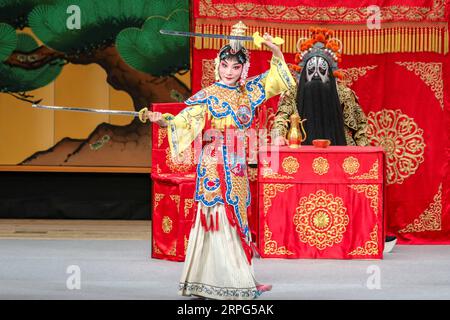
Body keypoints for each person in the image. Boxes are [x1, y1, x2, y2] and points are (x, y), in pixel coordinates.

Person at [147, 22, 295, 299]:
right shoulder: (208, 96)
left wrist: (275, 50)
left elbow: (281, 81)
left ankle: (244, 276)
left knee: (239, 215)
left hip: (237, 162)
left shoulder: (249, 91)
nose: (229, 72)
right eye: (225, 65)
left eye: (235, 67)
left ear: (243, 69)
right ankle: (228, 282)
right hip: (214, 162)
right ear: (218, 67)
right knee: (218, 216)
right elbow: (184, 120)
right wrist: (163, 120)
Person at [270, 27, 396, 253]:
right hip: (302, 150)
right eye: (311, 69)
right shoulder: (292, 92)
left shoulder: (344, 93)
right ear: (304, 71)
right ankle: (292, 235)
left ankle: (361, 233)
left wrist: (364, 154)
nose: (317, 74)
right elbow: (281, 116)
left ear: (330, 72)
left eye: (321, 69)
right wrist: (279, 135)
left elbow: (359, 126)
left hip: (340, 148)